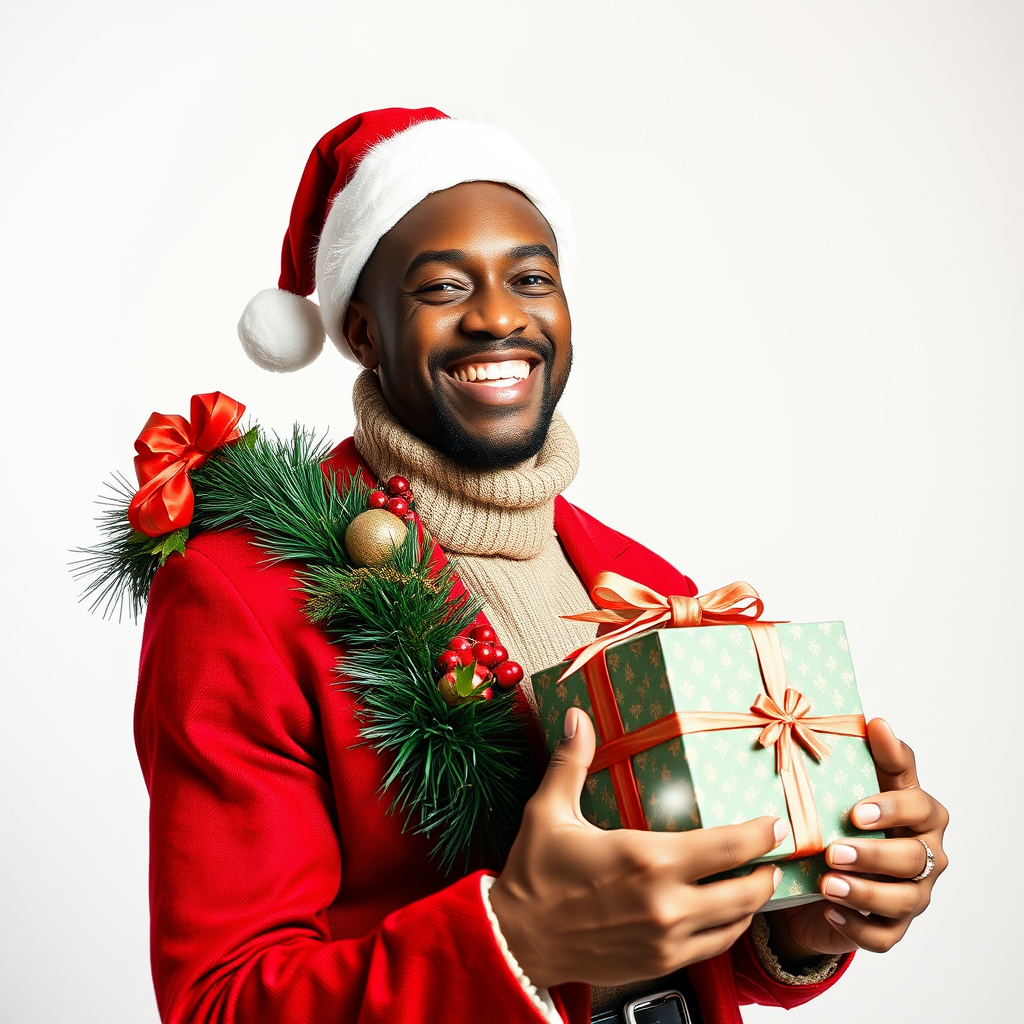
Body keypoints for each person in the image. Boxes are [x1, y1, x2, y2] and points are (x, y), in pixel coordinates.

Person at [136, 107, 948, 1024]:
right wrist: (518, 941)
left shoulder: (648, 588)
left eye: (531, 278)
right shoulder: (242, 594)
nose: (498, 316)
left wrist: (811, 915)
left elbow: (682, 921)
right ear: (362, 331)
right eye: (443, 287)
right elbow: (221, 1002)